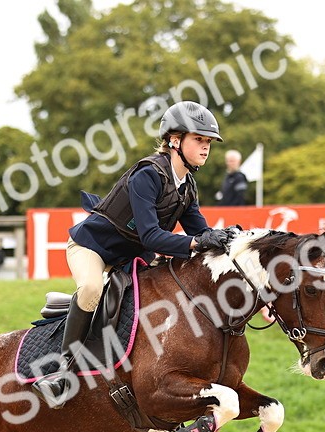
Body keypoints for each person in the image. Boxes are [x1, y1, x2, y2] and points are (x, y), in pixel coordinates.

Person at [32, 100, 236, 408]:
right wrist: (196, 243)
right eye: (199, 140)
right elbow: (151, 236)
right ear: (175, 141)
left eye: (208, 142)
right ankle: (60, 372)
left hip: (132, 256)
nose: (206, 148)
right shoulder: (148, 174)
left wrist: (224, 243)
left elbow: (199, 232)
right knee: (90, 289)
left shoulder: (187, 185)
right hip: (94, 248)